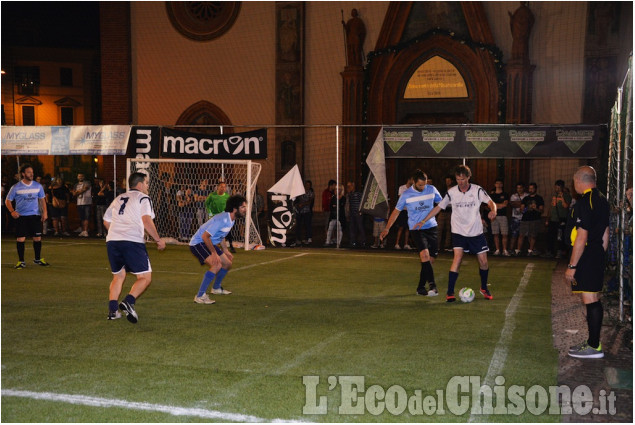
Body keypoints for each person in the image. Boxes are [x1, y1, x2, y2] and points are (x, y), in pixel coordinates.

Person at [417, 165, 497, 302]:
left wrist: (493, 210)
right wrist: (424, 220)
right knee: (457, 259)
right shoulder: (452, 192)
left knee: (483, 261)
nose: (461, 182)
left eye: (463, 179)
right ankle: (450, 292)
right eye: (458, 179)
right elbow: (439, 207)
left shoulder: (477, 190)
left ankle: (484, 287)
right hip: (459, 232)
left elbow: (491, 203)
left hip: (476, 231)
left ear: (468, 178)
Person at [103, 172, 166, 323]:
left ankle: (113, 311)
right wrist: (158, 240)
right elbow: (146, 220)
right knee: (145, 278)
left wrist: (118, 231)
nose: (147, 186)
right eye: (147, 183)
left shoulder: (118, 198)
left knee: (118, 276)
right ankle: (128, 302)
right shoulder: (143, 198)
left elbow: (106, 220)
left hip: (112, 241)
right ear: (140, 184)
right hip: (131, 241)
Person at [565, 166, 609, 358]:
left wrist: (572, 266)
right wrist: (600, 254)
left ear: (578, 181)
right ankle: (593, 343)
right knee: (592, 297)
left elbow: (582, 236)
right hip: (596, 253)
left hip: (588, 254)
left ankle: (594, 346)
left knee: (590, 298)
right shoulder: (602, 200)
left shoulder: (585, 202)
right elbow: (606, 232)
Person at [381, 169, 442, 296]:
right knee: (424, 255)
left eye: (424, 184)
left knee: (429, 260)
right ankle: (433, 286)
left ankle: (420, 287)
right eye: (420, 185)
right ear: (413, 182)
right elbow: (396, 212)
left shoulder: (431, 189)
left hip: (432, 227)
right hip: (416, 229)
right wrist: (387, 228)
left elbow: (441, 204)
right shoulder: (406, 195)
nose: (423, 187)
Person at [190, 195, 247, 304]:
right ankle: (200, 296)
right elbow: (205, 236)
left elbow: (221, 235)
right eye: (243, 207)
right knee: (217, 265)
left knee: (227, 264)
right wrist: (214, 253)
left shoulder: (231, 219)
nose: (245, 209)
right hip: (198, 243)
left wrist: (225, 250)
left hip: (208, 242)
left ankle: (216, 288)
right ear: (235, 209)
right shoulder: (222, 219)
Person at [5, 163, 50, 268]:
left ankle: (37, 259)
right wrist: (12, 211)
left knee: (37, 238)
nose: (31, 174)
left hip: (35, 216)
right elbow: (8, 201)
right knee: (21, 239)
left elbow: (42, 200)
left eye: (32, 172)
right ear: (23, 174)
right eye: (29, 172)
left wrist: (45, 212)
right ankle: (21, 261)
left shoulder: (38, 186)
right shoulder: (16, 187)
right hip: (21, 217)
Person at [543, 179, 571, 259]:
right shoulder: (554, 196)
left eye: (558, 188)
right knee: (550, 236)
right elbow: (551, 208)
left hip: (561, 219)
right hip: (553, 219)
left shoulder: (567, 196)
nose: (556, 189)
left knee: (560, 237)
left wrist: (562, 197)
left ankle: (560, 251)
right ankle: (550, 251)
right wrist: (547, 219)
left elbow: (566, 206)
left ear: (562, 187)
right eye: (555, 187)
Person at [205, 181, 235, 252]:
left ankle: (231, 245)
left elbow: (229, 205)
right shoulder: (212, 195)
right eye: (221, 187)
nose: (223, 188)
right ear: (218, 187)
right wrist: (210, 213)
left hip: (224, 217)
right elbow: (207, 204)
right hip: (214, 216)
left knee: (227, 231)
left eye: (224, 187)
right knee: (213, 232)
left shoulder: (227, 196)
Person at [515, 182, 544, 256]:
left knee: (533, 235)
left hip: (535, 219)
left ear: (535, 189)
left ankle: (530, 250)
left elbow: (541, 210)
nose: (530, 190)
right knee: (521, 234)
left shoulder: (539, 198)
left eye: (532, 188)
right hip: (525, 219)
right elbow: (522, 210)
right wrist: (527, 208)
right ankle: (518, 250)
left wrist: (535, 208)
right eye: (529, 188)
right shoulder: (526, 198)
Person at [490, 178, 511, 256]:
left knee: (504, 234)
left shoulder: (505, 194)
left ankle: (505, 250)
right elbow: (490, 205)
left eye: (500, 183)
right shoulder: (492, 195)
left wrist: (496, 205)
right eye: (497, 183)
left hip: (503, 216)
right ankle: (497, 249)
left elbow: (505, 204)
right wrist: (497, 206)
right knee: (495, 234)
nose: (498, 185)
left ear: (502, 185)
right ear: (495, 185)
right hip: (494, 216)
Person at [395, 176, 414, 250]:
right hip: (403, 210)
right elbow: (401, 198)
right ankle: (397, 243)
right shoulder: (402, 188)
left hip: (410, 210)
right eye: (412, 180)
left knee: (407, 228)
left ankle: (406, 244)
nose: (413, 181)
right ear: (409, 180)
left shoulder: (413, 189)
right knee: (401, 227)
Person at [509, 182, 528, 255]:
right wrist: (523, 203)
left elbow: (528, 204)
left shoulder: (527, 195)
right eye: (518, 188)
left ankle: (519, 250)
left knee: (523, 235)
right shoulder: (514, 196)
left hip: (524, 218)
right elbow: (512, 204)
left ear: (523, 188)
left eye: (520, 188)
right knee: (514, 234)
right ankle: (511, 249)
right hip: (515, 218)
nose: (519, 189)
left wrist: (520, 203)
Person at [293, 180, 314, 246]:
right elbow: (296, 199)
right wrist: (297, 205)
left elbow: (310, 201)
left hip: (307, 211)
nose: (307, 186)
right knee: (298, 225)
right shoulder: (300, 192)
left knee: (307, 225)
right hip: (299, 211)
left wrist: (303, 204)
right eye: (306, 184)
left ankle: (309, 238)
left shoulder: (310, 192)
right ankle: (298, 239)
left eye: (309, 185)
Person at [437, 175, 454, 252]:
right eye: (446, 181)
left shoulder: (454, 190)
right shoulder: (442, 190)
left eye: (449, 181)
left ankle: (447, 246)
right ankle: (437, 245)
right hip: (442, 210)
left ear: (452, 181)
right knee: (439, 228)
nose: (448, 182)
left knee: (449, 229)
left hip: (451, 211)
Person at [71, 173, 92, 237]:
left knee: (86, 217)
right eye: (79, 176)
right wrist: (77, 192)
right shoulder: (76, 185)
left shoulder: (87, 182)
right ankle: (83, 230)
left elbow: (84, 189)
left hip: (87, 202)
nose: (80, 177)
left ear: (84, 177)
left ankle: (85, 231)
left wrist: (77, 192)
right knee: (82, 217)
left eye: (81, 176)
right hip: (79, 202)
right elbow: (74, 193)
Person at [346, 181, 365, 248]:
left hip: (358, 213)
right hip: (352, 213)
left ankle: (363, 241)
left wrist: (361, 211)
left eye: (349, 186)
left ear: (353, 185)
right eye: (347, 186)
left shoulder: (359, 193)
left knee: (360, 227)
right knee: (352, 228)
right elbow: (349, 204)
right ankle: (353, 241)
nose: (348, 188)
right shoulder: (349, 194)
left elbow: (362, 202)